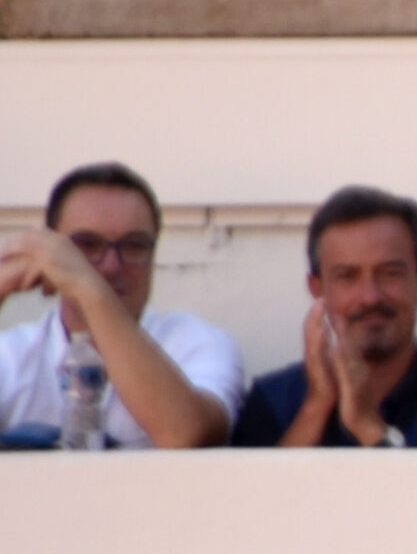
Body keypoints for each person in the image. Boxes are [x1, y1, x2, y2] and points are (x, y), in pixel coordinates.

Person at [0, 162, 243, 450]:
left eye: (134, 245)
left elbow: (182, 435)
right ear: (49, 249)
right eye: (87, 245)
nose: (112, 265)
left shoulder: (197, 343)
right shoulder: (12, 354)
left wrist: (89, 287)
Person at [232, 187, 417, 451]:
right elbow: (257, 480)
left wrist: (366, 424)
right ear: (317, 289)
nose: (370, 297)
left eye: (390, 273)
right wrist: (316, 406)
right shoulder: (272, 401)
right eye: (347, 276)